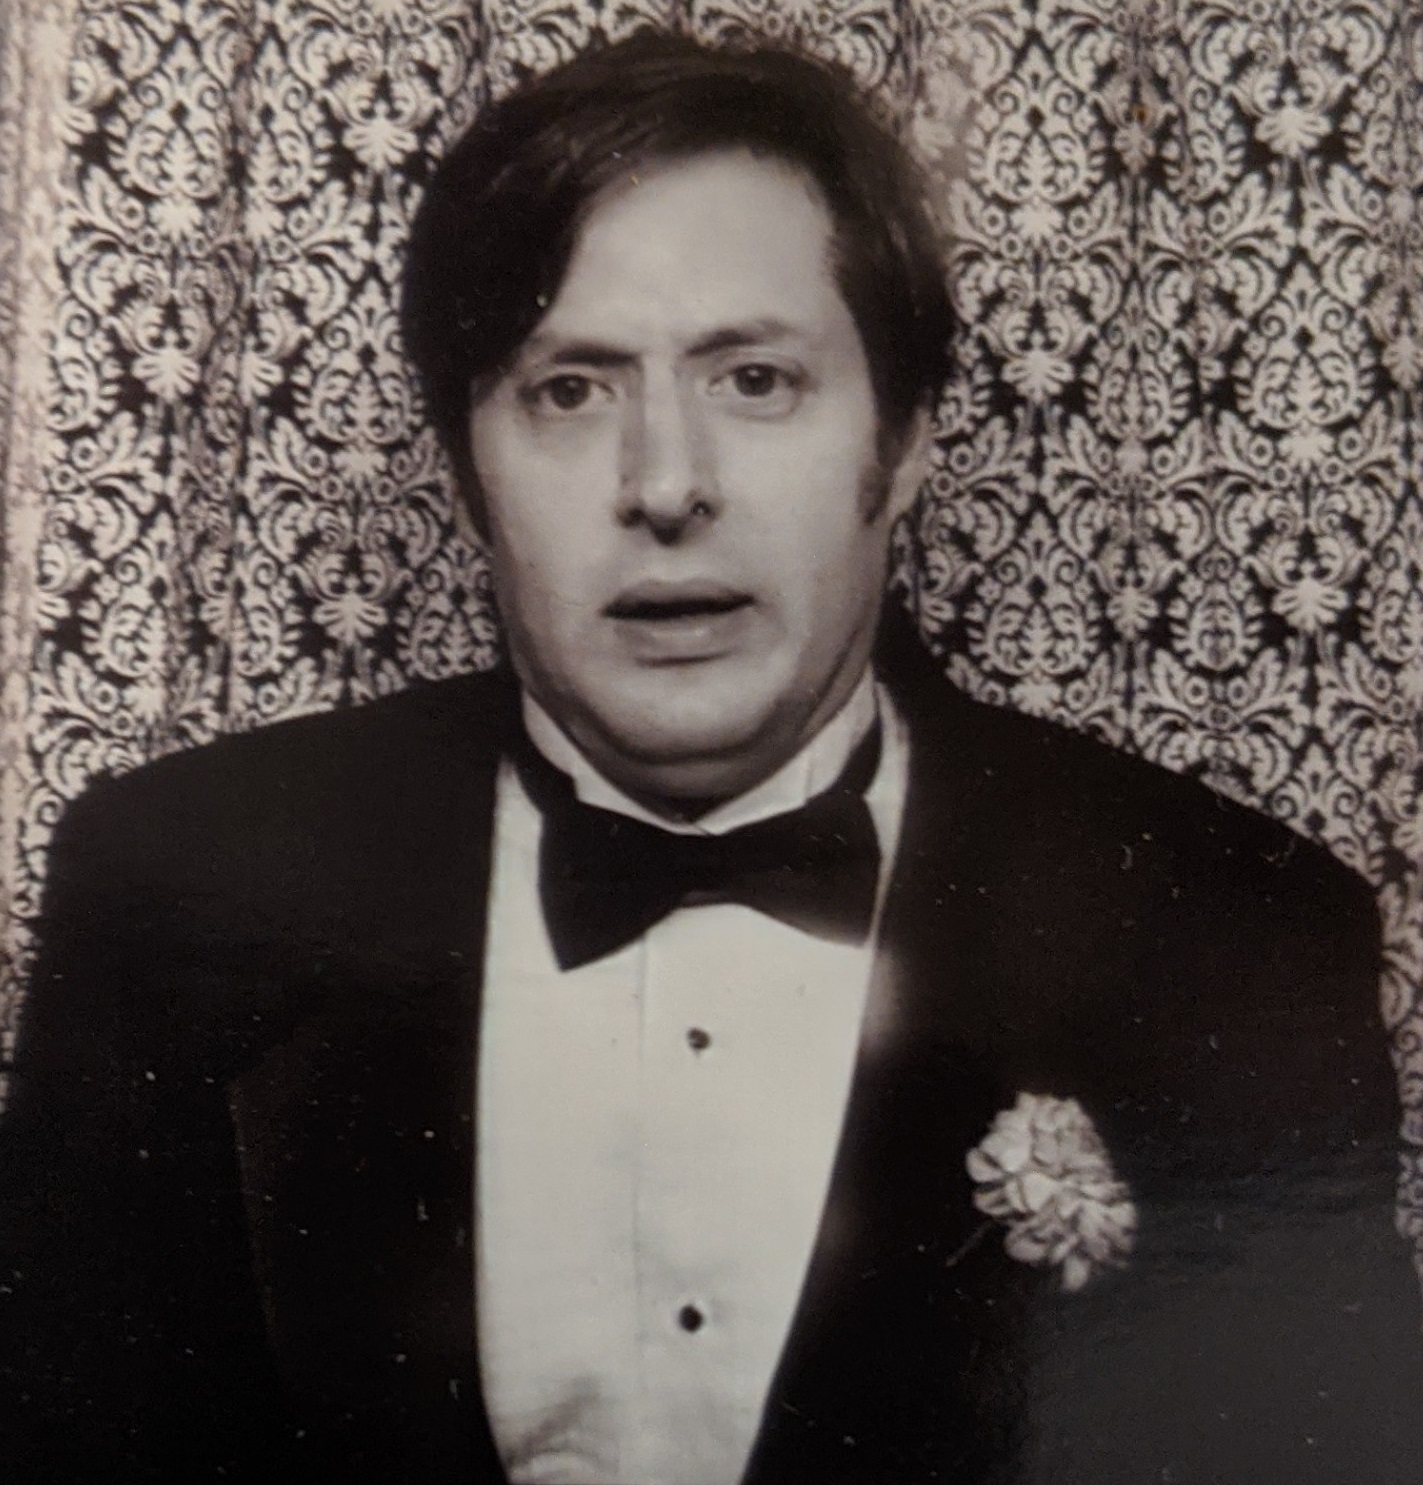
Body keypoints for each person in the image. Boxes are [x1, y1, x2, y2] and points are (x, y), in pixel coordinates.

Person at [2, 31, 1421, 1485]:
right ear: (465, 475)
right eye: (570, 390)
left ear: (904, 443)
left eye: (755, 378)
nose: (667, 484)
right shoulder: (174, 892)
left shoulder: (1230, 933)